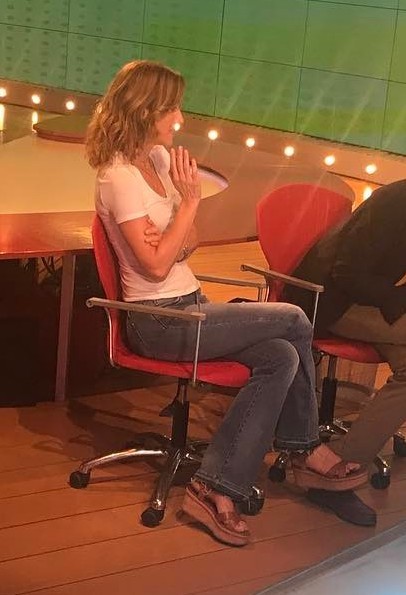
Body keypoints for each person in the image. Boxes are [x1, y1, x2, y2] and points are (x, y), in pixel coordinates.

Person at [86, 59, 368, 547]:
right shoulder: (118, 178)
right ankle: (305, 449)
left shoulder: (157, 161)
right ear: (145, 109)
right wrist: (187, 207)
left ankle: (214, 485)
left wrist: (174, 234)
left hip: (190, 303)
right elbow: (156, 267)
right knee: (294, 318)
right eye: (172, 108)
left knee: (280, 355)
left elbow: (188, 242)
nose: (179, 119)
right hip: (159, 320)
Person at [284, 180, 406, 519]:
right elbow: (347, 273)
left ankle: (339, 465)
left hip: (366, 300)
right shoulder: (394, 202)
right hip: (327, 300)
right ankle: (331, 475)